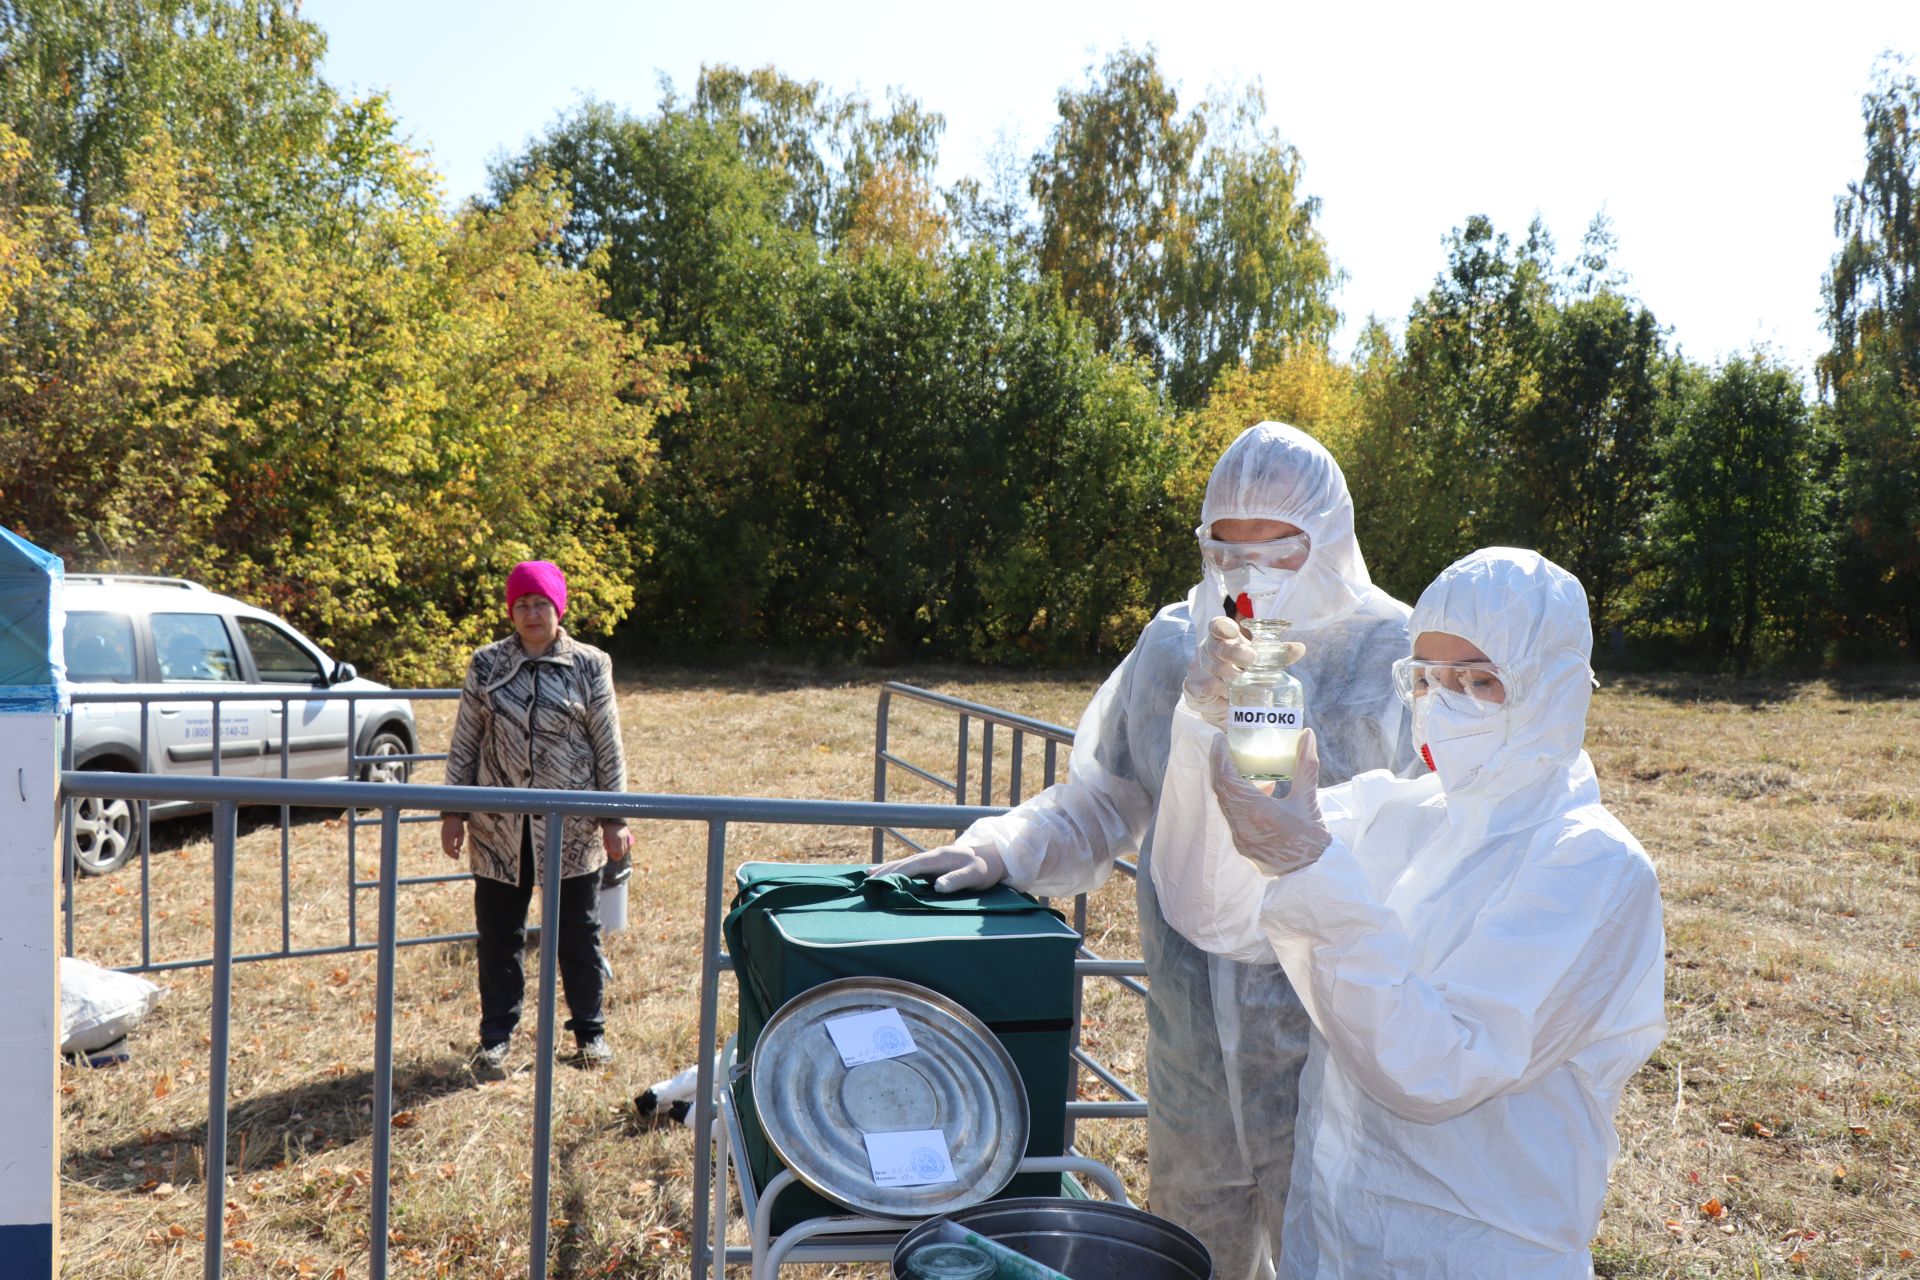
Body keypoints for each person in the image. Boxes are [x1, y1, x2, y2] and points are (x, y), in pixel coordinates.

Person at [876, 423, 1414, 1280]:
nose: (1245, 578)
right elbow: (1108, 792)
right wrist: (1007, 847)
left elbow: (1434, 846)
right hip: (1192, 1042)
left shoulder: (1395, 657)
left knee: (1335, 1252)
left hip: (1331, 1049)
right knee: (1193, 1252)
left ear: (1331, 538)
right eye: (1223, 551)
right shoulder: (1172, 648)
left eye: (1277, 552)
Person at [1151, 547, 1667, 1278]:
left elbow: (1435, 1070)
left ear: (1552, 689)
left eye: (1479, 680)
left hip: (1475, 1256)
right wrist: (1205, 724)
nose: (1443, 699)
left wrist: (1306, 865)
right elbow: (1210, 907)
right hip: (1331, 1238)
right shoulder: (1402, 812)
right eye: (1426, 677)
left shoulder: (1593, 867)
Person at [441, 561, 632, 1068]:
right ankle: (496, 1038)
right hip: (498, 830)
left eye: (540, 603)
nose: (531, 613)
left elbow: (606, 745)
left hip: (571, 829)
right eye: (521, 604)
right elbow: (465, 741)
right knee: (499, 936)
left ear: (558, 608)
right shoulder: (486, 665)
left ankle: (590, 1033)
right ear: (511, 610)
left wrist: (614, 817)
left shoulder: (590, 664)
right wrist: (454, 811)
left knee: (578, 932)